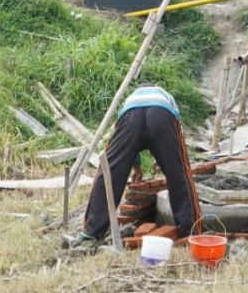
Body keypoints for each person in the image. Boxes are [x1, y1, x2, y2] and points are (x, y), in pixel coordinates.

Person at [70, 84, 202, 248]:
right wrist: (163, 159)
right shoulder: (166, 97)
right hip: (162, 114)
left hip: (130, 116)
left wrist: (136, 168)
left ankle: (92, 230)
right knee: (179, 173)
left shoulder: (131, 98)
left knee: (110, 172)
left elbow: (129, 145)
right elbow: (172, 143)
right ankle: (190, 230)